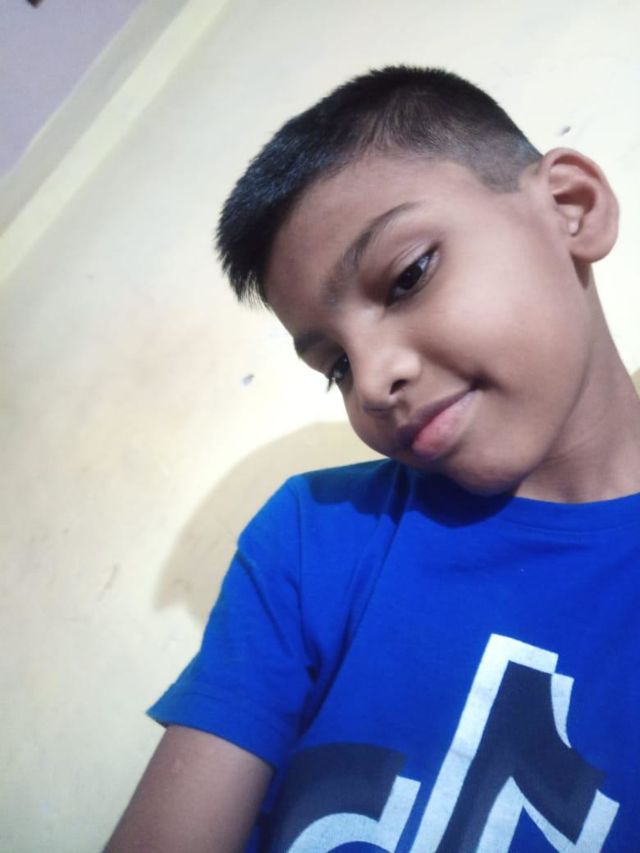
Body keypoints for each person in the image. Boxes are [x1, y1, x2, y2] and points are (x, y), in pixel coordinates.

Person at [105, 67, 640, 852]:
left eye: (407, 276)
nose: (375, 380)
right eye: (336, 366)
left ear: (570, 206)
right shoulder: (314, 536)